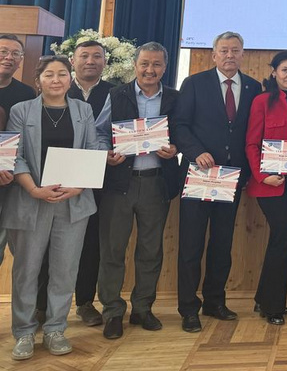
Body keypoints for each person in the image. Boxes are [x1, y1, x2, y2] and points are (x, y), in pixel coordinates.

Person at [2, 56, 102, 360]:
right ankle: (23, 331)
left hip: (73, 202)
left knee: (64, 269)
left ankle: (56, 328)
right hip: (31, 200)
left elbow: (93, 148)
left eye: (61, 74)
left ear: (70, 80)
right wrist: (33, 189)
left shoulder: (83, 110)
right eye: (49, 74)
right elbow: (15, 155)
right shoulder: (21, 110)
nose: (56, 79)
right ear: (38, 80)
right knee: (27, 270)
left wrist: (79, 186)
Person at [171, 31, 261, 333]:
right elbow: (180, 125)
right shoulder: (194, 83)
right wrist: (196, 152)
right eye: (224, 50)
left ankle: (214, 301)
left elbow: (253, 132)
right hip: (198, 176)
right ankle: (188, 308)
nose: (229, 55)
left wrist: (248, 173)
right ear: (213, 55)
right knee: (191, 245)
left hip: (231, 179)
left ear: (243, 54)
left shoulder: (253, 87)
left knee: (222, 244)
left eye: (235, 50)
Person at [92, 42, 181, 339]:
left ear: (165, 68)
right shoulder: (116, 94)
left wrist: (175, 148)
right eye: (144, 63)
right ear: (135, 65)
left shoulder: (175, 98)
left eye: (156, 64)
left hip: (156, 182)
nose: (149, 70)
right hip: (119, 183)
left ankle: (143, 308)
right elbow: (100, 132)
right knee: (112, 250)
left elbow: (182, 132)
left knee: (150, 250)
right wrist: (105, 153)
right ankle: (112, 311)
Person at [47, 39, 114, 328]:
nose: (90, 61)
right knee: (50, 242)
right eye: (84, 56)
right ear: (72, 61)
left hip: (99, 181)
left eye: (97, 56)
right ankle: (42, 306)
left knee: (91, 242)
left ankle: (85, 302)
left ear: (105, 62)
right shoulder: (58, 88)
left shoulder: (115, 93)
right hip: (56, 179)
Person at [245, 52, 287, 325]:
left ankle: (264, 298)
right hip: (269, 184)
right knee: (284, 238)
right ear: (274, 72)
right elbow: (251, 144)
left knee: (279, 240)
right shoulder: (261, 101)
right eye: (284, 70)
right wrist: (262, 176)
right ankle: (273, 306)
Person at [0, 35, 34, 271]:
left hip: (9, 181)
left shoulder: (26, 94)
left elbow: (28, 140)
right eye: (3, 51)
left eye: (15, 54)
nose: (8, 57)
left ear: (21, 60)